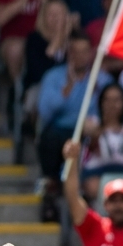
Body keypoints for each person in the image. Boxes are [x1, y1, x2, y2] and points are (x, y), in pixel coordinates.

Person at [36, 31, 111, 187]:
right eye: (75, 51)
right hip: (61, 131)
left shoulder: (102, 79)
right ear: (68, 53)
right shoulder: (53, 76)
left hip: (93, 131)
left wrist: (97, 124)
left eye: (84, 51)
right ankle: (52, 183)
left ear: (91, 53)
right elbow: (45, 112)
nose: (80, 56)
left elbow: (112, 108)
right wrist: (67, 89)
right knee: (50, 138)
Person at [79, 83, 123, 200]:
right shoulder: (92, 123)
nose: (112, 105)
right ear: (101, 102)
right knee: (94, 187)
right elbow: (90, 139)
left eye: (117, 100)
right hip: (98, 171)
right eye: (108, 100)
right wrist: (104, 125)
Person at [21, 0, 70, 102]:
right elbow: (38, 72)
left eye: (59, 13)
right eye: (51, 14)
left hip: (71, 87)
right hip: (40, 86)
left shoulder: (74, 38)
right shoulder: (34, 39)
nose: (55, 18)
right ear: (43, 18)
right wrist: (57, 40)